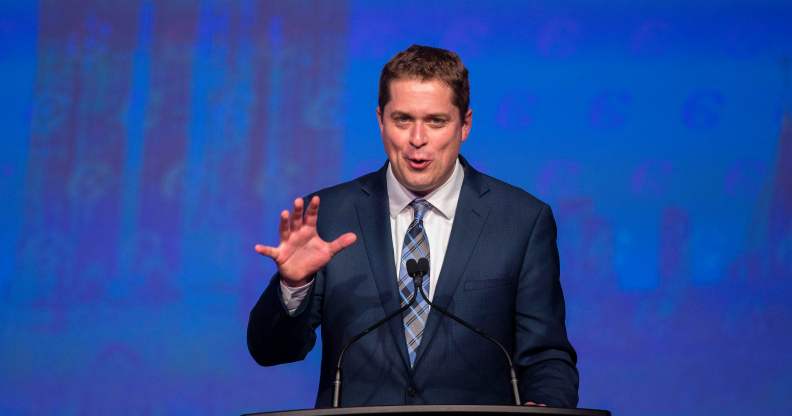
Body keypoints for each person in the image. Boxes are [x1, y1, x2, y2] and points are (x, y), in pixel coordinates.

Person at [247, 44, 578, 408]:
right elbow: (271, 351)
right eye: (402, 119)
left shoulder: (521, 220)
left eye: (436, 121)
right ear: (380, 120)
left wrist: (546, 408)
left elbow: (547, 355)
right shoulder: (329, 215)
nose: (417, 140)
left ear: (465, 124)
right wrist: (294, 285)